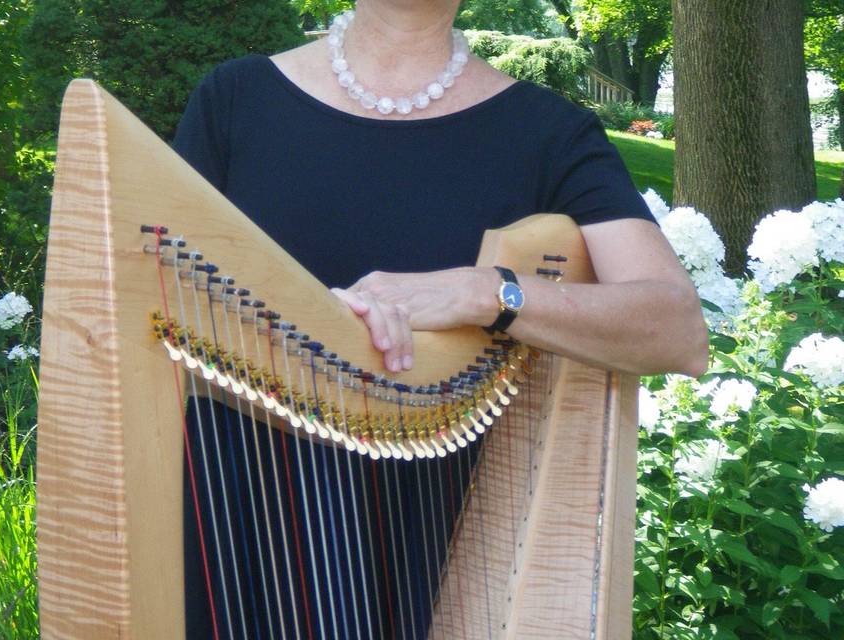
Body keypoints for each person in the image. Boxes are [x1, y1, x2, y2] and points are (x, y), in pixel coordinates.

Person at [172, 1, 708, 637]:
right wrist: (314, 332)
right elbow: (161, 313)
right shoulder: (236, 101)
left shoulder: (548, 132)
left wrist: (486, 293)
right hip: (241, 522)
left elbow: (678, 329)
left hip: (448, 529)